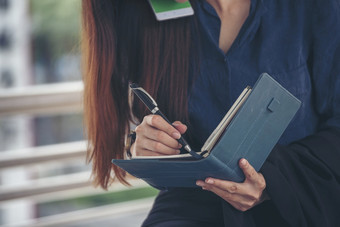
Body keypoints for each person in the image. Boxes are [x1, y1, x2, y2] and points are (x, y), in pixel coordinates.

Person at [81, 0, 340, 226]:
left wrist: (272, 182)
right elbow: (135, 127)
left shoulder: (311, 7)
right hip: (195, 203)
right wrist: (141, 146)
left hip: (302, 196)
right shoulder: (142, 14)